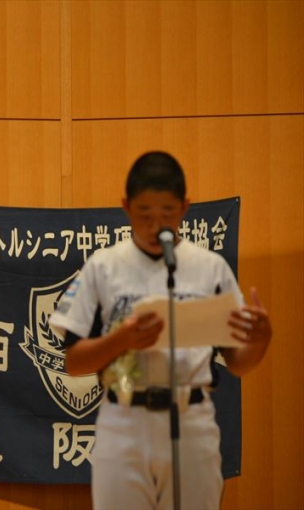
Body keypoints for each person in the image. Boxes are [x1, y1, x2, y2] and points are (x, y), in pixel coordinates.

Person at [49, 151, 272, 510]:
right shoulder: (104, 267)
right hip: (123, 423)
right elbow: (73, 363)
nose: (156, 226)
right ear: (126, 207)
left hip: (191, 420)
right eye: (144, 214)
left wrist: (260, 342)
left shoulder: (210, 268)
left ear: (185, 207)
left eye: (167, 213)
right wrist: (120, 340)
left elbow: (237, 363)